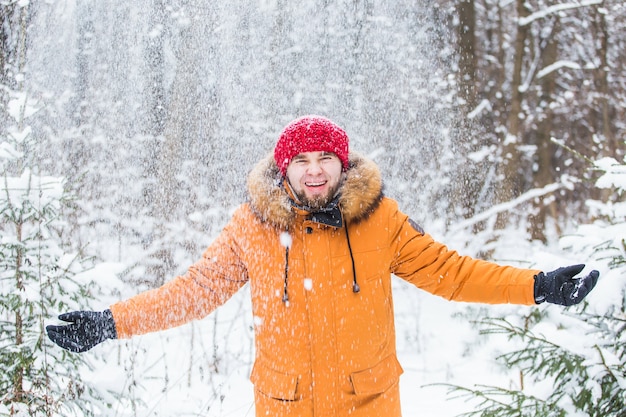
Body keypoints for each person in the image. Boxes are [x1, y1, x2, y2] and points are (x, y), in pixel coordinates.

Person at [47, 115, 599, 417]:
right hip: (286, 405)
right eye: (302, 162)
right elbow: (191, 293)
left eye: (325, 160)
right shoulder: (252, 228)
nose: (315, 173)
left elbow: (451, 273)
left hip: (369, 404)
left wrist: (537, 286)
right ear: (283, 170)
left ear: (343, 164)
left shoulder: (381, 222)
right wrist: (111, 321)